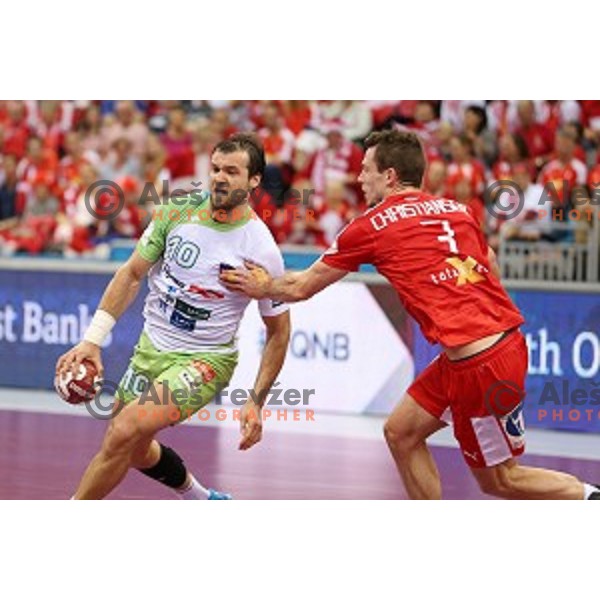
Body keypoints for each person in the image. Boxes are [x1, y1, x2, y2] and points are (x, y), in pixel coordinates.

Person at [220, 129, 600, 500]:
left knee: (501, 480)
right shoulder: (458, 210)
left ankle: (589, 498)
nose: (359, 176)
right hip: (481, 352)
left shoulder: (369, 226)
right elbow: (491, 268)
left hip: (482, 367)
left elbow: (301, 287)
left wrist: (262, 286)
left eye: (366, 168)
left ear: (389, 176)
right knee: (401, 432)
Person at [56, 133, 291, 500]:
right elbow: (132, 274)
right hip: (151, 348)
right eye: (215, 169)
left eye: (232, 171)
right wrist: (92, 340)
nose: (220, 178)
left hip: (205, 360)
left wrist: (256, 401)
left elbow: (278, 332)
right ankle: (203, 499)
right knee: (131, 447)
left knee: (124, 430)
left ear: (254, 181)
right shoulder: (177, 211)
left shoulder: (261, 248)